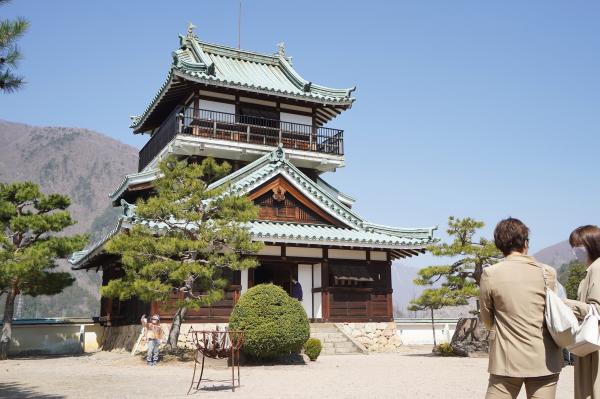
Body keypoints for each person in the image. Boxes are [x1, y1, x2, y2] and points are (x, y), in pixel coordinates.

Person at [479, 217, 563, 399]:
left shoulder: (490, 274)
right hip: (544, 359)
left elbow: (487, 319)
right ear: (526, 243)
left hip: (506, 361)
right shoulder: (547, 272)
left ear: (499, 245)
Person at [564, 225, 600, 399]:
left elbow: (597, 309)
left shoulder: (597, 268)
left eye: (578, 246)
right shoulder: (592, 269)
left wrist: (562, 303)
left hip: (595, 345)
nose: (574, 251)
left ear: (591, 244)